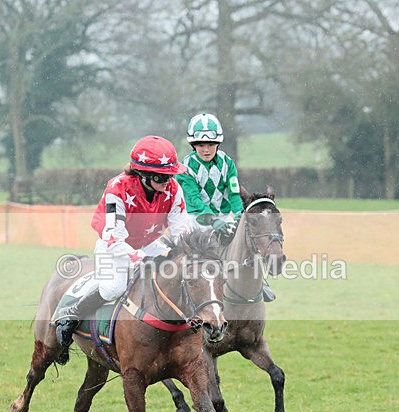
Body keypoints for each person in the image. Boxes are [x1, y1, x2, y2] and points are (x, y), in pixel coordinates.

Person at [55, 135, 191, 350]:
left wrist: (187, 252)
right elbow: (114, 239)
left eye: (170, 175)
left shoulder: (173, 189)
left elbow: (181, 231)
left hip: (149, 244)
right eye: (162, 177)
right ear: (144, 175)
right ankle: (71, 315)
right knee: (113, 288)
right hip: (114, 246)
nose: (168, 182)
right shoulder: (117, 189)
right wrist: (143, 259)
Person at [177, 112, 275, 301]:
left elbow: (233, 193)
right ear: (193, 145)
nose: (206, 150)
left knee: (246, 239)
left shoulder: (227, 163)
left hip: (223, 216)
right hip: (196, 219)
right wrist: (214, 222)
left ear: (218, 143)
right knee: (196, 253)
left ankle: (259, 282)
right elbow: (195, 201)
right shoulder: (185, 168)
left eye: (211, 144)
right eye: (201, 145)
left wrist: (239, 216)